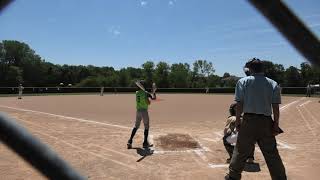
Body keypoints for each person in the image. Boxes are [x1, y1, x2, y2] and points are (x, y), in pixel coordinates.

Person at [225, 59, 286, 180]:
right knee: (272, 154)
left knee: (241, 151)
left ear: (250, 69)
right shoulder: (273, 83)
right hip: (266, 122)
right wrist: (275, 124)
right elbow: (275, 107)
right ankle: (280, 178)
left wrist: (238, 121)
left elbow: (239, 104)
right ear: (262, 69)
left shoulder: (243, 82)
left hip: (248, 120)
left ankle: (233, 176)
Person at [127, 80, 156, 149]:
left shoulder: (137, 93)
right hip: (144, 111)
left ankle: (130, 141)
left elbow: (150, 97)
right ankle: (145, 143)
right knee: (146, 127)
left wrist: (152, 93)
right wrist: (153, 94)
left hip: (138, 111)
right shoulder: (146, 93)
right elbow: (150, 101)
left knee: (136, 126)